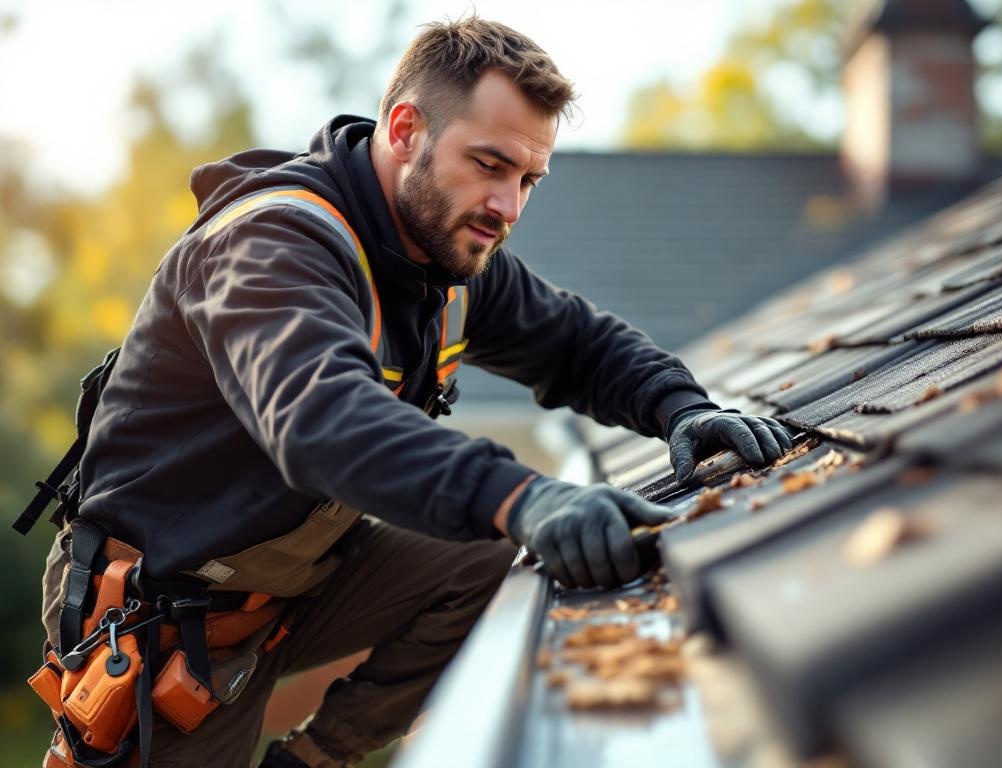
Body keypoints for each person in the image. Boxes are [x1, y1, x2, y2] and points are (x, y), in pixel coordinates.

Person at [36, 16, 791, 768]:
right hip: (163, 619)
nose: (509, 207)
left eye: (528, 179)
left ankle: (316, 761)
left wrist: (683, 407)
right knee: (512, 516)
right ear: (405, 130)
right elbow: (321, 419)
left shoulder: (444, 255)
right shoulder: (271, 246)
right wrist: (523, 495)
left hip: (299, 581)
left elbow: (575, 343)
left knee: (494, 561)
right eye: (490, 164)